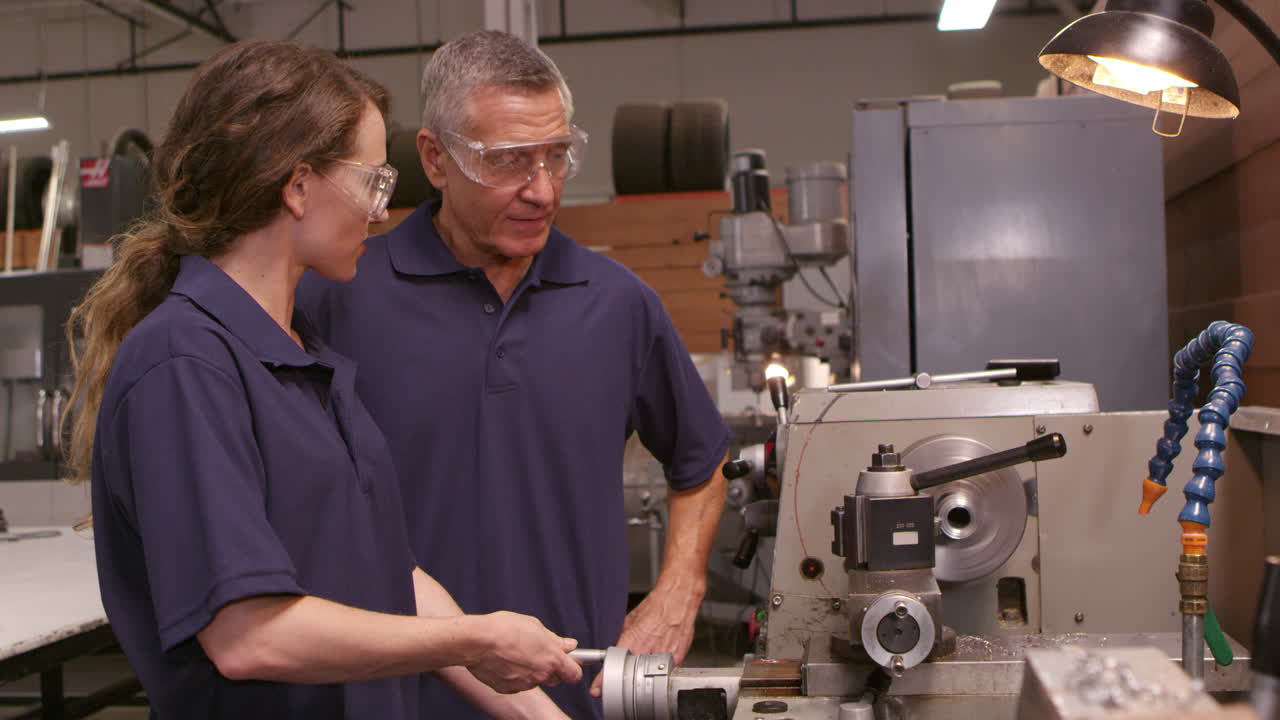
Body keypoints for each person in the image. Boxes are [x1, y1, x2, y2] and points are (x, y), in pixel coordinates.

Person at [64, 39, 582, 720]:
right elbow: (249, 636)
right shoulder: (184, 367)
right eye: (373, 181)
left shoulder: (303, 356)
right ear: (299, 186)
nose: (378, 213)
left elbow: (391, 576)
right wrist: (476, 637)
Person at [296, 30, 731, 719]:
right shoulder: (338, 297)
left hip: (568, 700)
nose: (541, 190)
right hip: (394, 703)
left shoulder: (617, 304)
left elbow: (701, 463)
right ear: (435, 159)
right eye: (508, 162)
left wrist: (678, 591)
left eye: (557, 157)